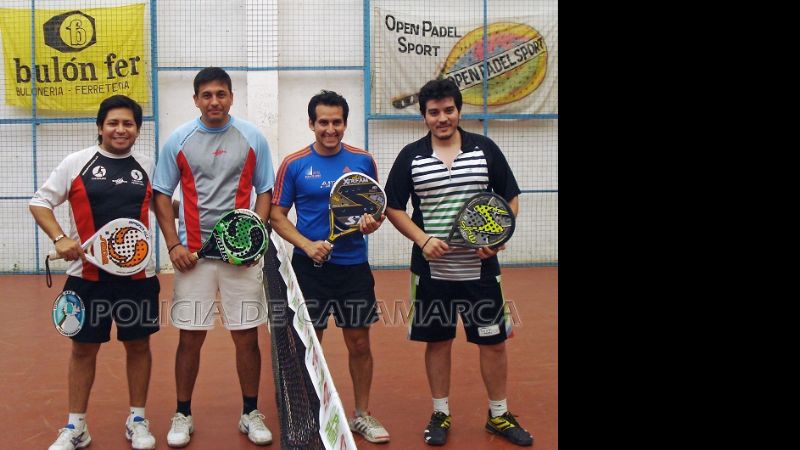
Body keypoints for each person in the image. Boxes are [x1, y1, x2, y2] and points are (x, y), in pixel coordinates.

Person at [383, 79, 534, 447]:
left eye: (448, 110)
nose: (442, 118)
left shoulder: (485, 149)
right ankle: (440, 412)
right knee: (438, 342)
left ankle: (498, 415)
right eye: (434, 112)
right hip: (431, 272)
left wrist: (498, 236)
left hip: (480, 271)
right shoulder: (411, 156)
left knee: (494, 343)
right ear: (424, 116)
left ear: (458, 110)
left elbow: (510, 198)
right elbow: (392, 206)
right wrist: (422, 239)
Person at [152, 67, 275, 447]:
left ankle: (250, 412)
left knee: (246, 337)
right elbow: (160, 194)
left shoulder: (252, 137)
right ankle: (182, 414)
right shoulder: (178, 139)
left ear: (231, 97)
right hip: (194, 259)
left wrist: (254, 241)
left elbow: (265, 191)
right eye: (206, 95)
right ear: (195, 100)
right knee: (190, 338)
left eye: (221, 94)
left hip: (240, 262)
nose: (214, 101)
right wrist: (174, 246)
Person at [30, 95, 160, 450]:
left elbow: (167, 206)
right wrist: (59, 238)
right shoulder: (77, 163)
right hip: (85, 278)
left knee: (138, 346)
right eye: (114, 123)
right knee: (83, 350)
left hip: (139, 278)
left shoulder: (148, 164)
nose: (121, 130)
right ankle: (76, 427)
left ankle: (137, 419)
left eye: (128, 124)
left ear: (137, 129)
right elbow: (40, 202)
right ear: (100, 127)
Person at [270, 90, 390, 444]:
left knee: (359, 344)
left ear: (344, 123)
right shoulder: (293, 164)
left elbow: (376, 210)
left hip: (353, 268)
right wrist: (306, 245)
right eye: (323, 121)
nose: (330, 128)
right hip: (309, 270)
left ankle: (362, 415)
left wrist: (372, 223)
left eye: (337, 121)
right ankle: (312, 414)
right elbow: (276, 215)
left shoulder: (363, 160)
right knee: (311, 347)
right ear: (311, 123)